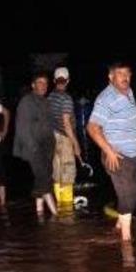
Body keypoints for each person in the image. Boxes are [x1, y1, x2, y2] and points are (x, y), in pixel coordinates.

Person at [87, 61, 136, 241]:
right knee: (126, 199)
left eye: (128, 73)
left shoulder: (129, 92)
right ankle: (126, 243)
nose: (125, 77)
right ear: (111, 77)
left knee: (135, 198)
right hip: (117, 156)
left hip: (132, 156)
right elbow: (92, 127)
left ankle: (118, 226)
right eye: (120, 74)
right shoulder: (106, 98)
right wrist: (109, 151)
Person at [14, 72, 57, 216]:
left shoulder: (46, 102)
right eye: (40, 82)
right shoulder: (26, 102)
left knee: (43, 176)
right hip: (34, 148)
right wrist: (33, 148)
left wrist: (53, 142)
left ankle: (39, 211)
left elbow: (49, 125)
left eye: (45, 83)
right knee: (44, 177)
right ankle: (55, 212)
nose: (43, 86)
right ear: (33, 85)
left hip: (47, 147)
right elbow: (22, 128)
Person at [48, 67, 82, 206]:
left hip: (53, 137)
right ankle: (67, 210)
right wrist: (76, 144)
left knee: (57, 173)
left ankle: (59, 205)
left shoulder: (50, 96)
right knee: (67, 174)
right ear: (68, 81)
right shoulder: (66, 98)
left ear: (54, 80)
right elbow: (66, 123)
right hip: (64, 138)